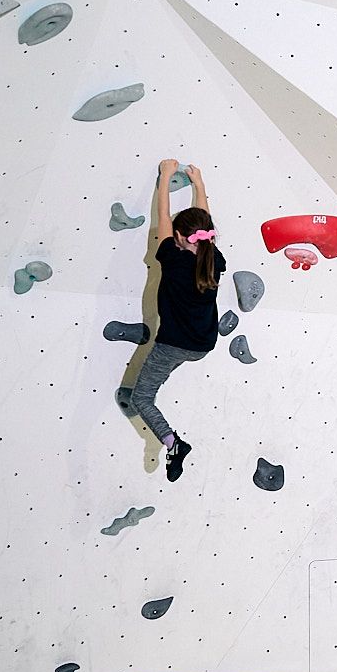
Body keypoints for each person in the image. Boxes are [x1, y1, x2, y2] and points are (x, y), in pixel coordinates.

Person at [127, 159, 224, 480]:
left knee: (141, 397)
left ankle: (172, 443)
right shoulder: (215, 260)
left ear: (181, 238)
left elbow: (163, 218)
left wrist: (166, 177)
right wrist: (199, 184)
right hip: (202, 346)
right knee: (159, 376)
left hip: (174, 345)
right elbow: (200, 223)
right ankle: (171, 444)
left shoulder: (171, 257)